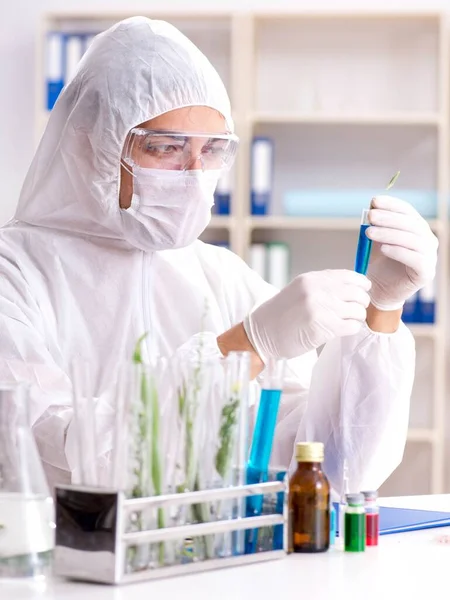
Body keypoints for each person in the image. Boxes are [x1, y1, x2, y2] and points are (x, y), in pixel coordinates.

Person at [0, 16, 437, 493]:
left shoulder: (220, 275)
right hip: (64, 563)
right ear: (90, 144)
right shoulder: (16, 272)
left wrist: (383, 309)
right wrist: (243, 349)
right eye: (166, 147)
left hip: (209, 561)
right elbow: (56, 454)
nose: (193, 173)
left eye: (211, 150)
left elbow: (338, 466)